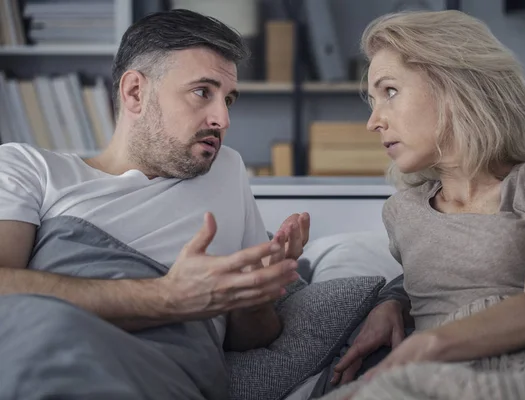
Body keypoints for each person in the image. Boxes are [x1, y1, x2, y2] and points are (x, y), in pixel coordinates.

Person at [0, 9, 310, 400]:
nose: (223, 118)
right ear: (135, 92)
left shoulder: (226, 171)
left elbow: (249, 338)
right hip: (51, 351)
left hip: (163, 376)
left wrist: (257, 292)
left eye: (228, 99)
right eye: (203, 92)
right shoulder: (31, 169)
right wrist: (168, 297)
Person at [314, 9, 525, 400]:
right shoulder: (401, 212)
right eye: (371, 100)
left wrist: (425, 346)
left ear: (452, 85)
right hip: (432, 378)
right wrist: (392, 303)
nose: (373, 121)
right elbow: (436, 271)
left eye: (390, 91)